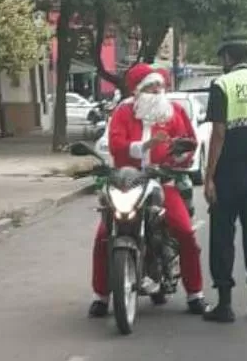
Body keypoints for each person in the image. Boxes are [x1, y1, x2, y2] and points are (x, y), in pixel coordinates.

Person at [88, 63, 208, 317]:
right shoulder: (123, 112)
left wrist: (178, 158)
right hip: (126, 182)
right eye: (151, 87)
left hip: (162, 183)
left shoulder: (174, 112)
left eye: (160, 86)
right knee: (102, 236)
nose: (156, 91)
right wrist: (146, 145)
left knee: (185, 232)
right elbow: (116, 145)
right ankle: (101, 296)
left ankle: (195, 294)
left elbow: (189, 144)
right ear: (138, 91)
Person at [202, 34, 247, 323]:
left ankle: (225, 304)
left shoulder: (222, 85)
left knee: (222, 238)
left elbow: (219, 134)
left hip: (228, 174)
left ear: (228, 58)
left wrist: (209, 178)